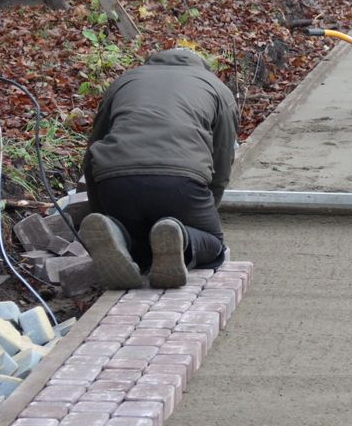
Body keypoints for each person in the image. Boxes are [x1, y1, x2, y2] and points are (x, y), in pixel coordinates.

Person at [80, 48, 239, 290]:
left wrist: (101, 209)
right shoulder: (216, 87)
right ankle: (183, 240)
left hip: (116, 181)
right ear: (201, 65)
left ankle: (118, 232)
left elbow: (94, 147)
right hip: (182, 182)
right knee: (213, 244)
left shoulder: (126, 80)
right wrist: (206, 208)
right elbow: (222, 158)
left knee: (139, 240)